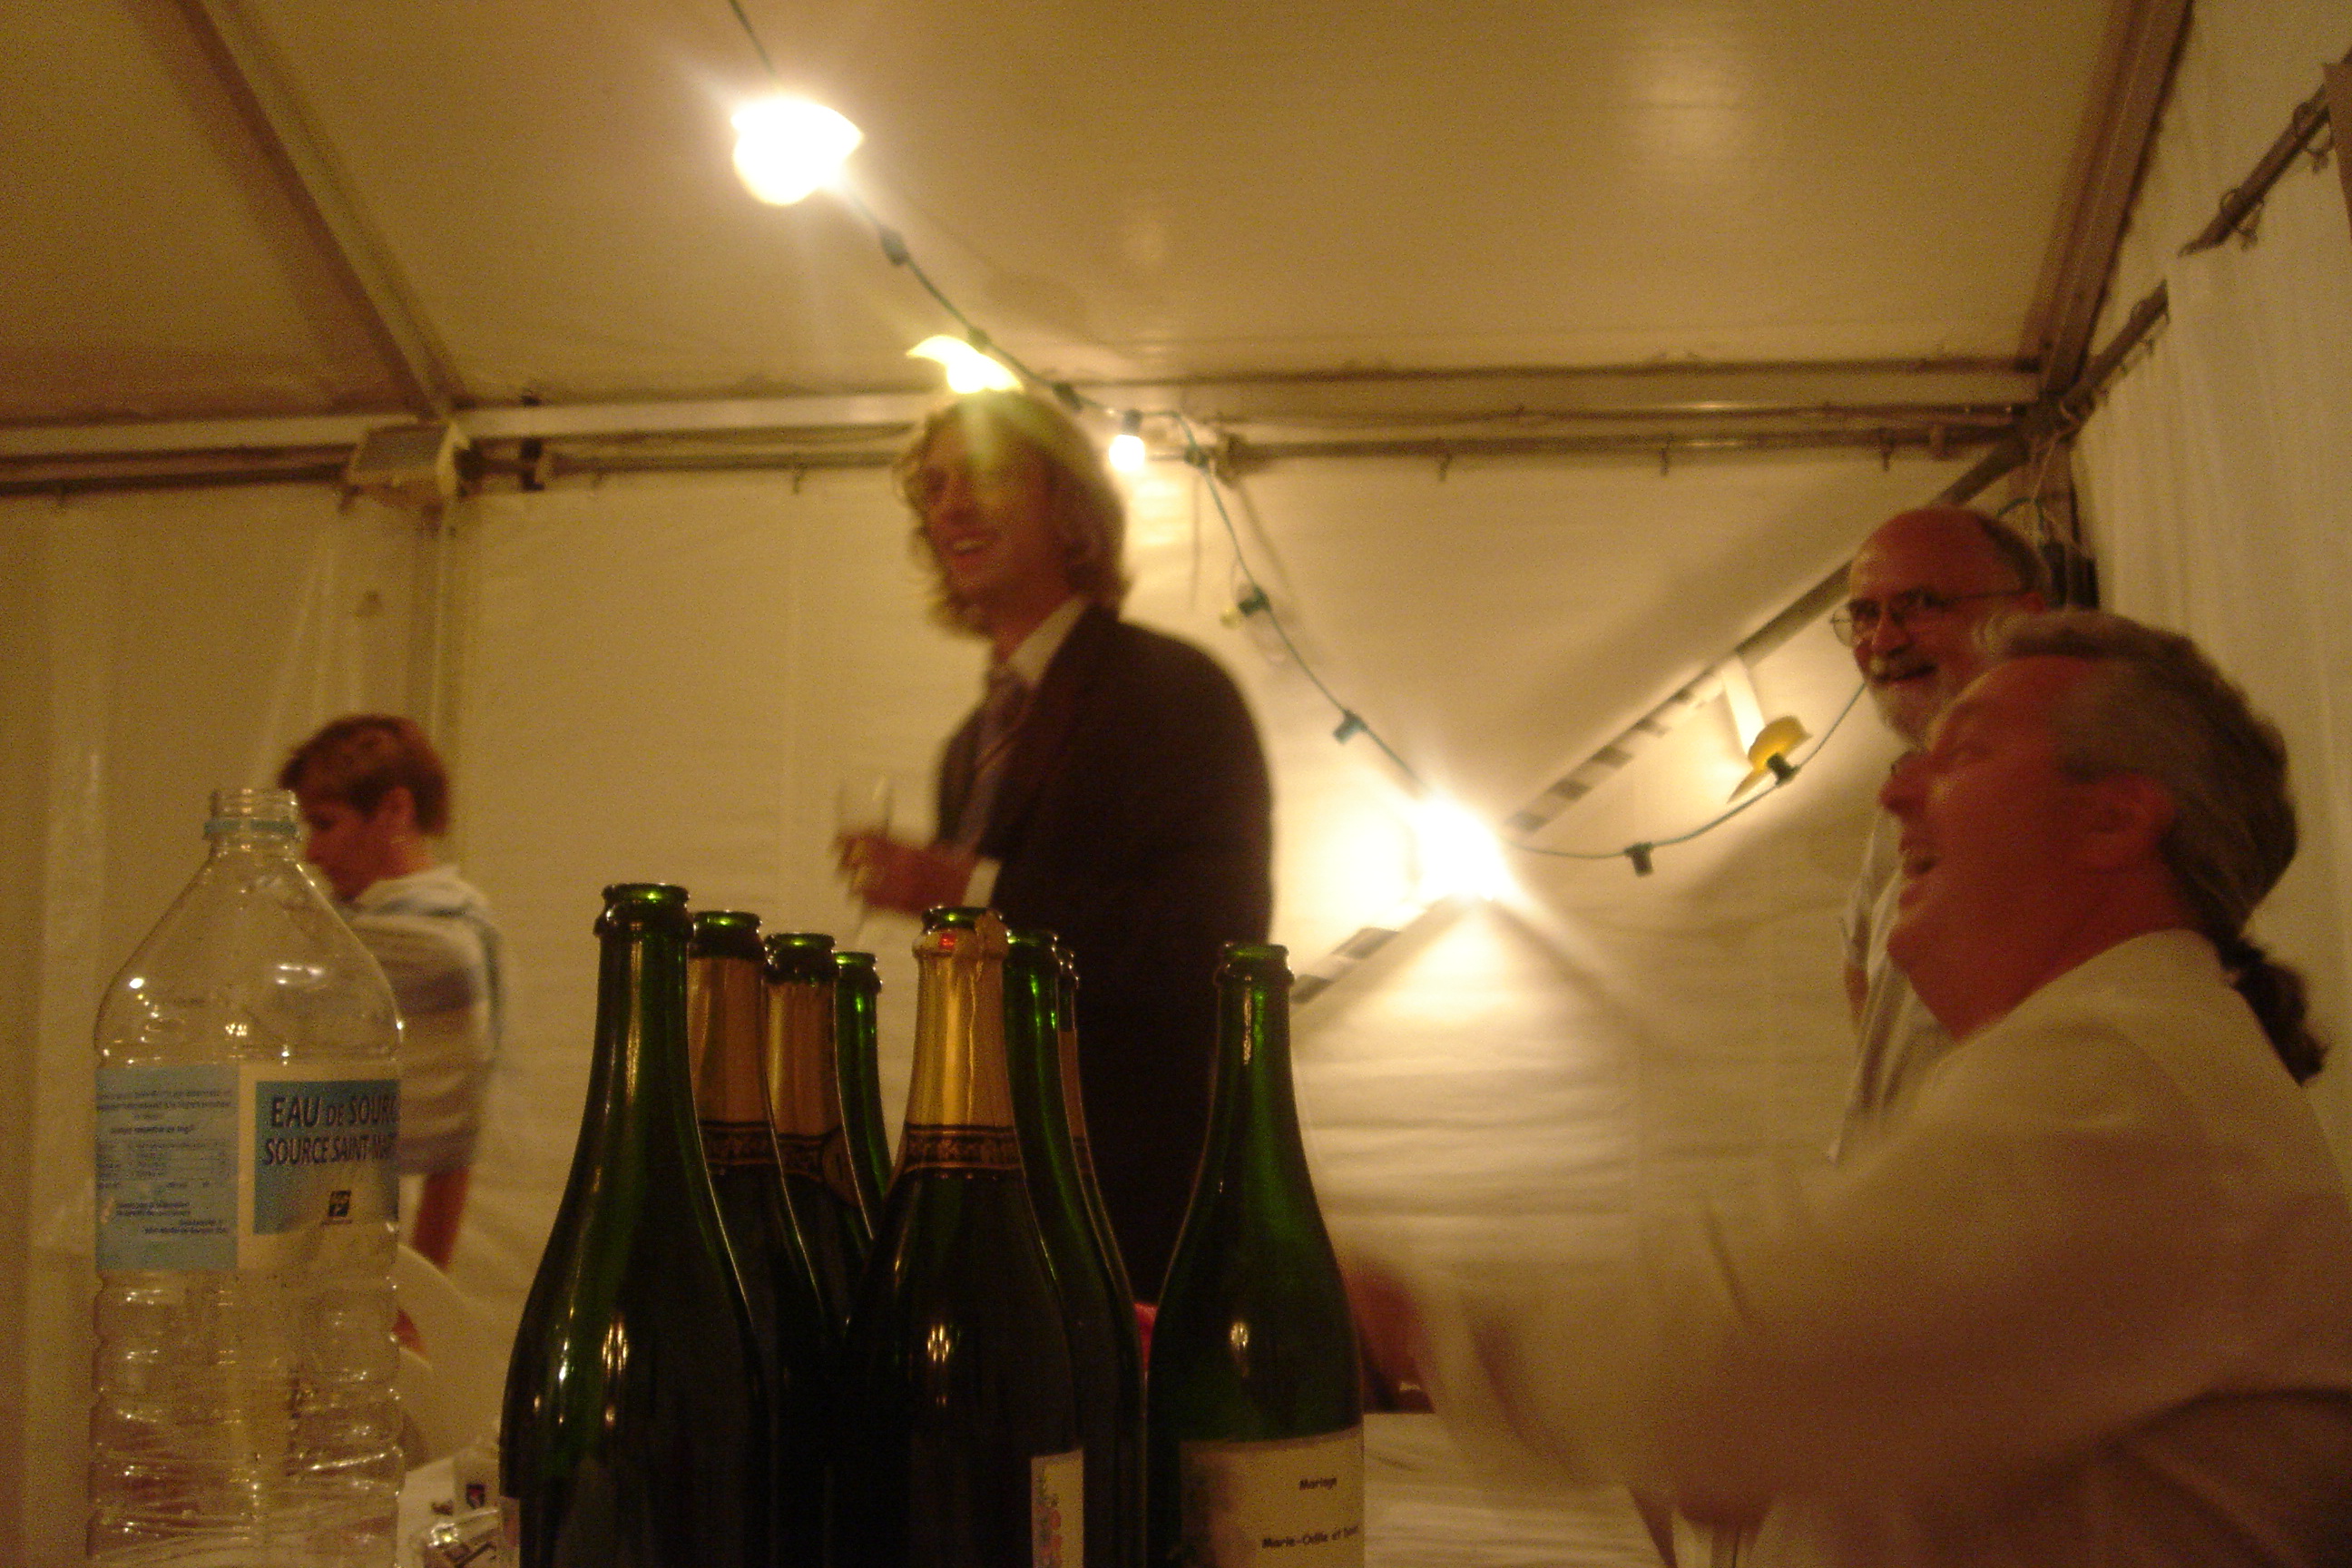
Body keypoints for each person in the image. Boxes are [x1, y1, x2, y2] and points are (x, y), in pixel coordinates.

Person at [1366, 611, 2352, 1564]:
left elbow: (1730, 1371)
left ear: (2113, 819)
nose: (1895, 793)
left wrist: (1414, 1317)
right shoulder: (2140, 1058)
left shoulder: (2123, 1074)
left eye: (1964, 754)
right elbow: (1796, 1414)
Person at [838, 389, 1273, 1300]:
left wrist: (974, 889)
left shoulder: (1174, 692)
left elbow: (1213, 945)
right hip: (996, 1206)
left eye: (987, 475)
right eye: (934, 486)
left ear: (1069, 506)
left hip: (1135, 1210)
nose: (952, 505)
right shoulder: (967, 747)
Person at [1832, 506, 2044, 1152]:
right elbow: (1860, 963)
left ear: (2025, 616)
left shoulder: (2072, 781)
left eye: (1920, 605)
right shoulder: (1902, 794)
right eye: (1864, 615)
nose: (1883, 640)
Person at [279, 715, 503, 1270]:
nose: (311, 852)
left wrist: (420, 1295)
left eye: (325, 823)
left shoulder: (441, 946)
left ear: (395, 810)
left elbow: (451, 1143)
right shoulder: (338, 925)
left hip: (388, 1251)